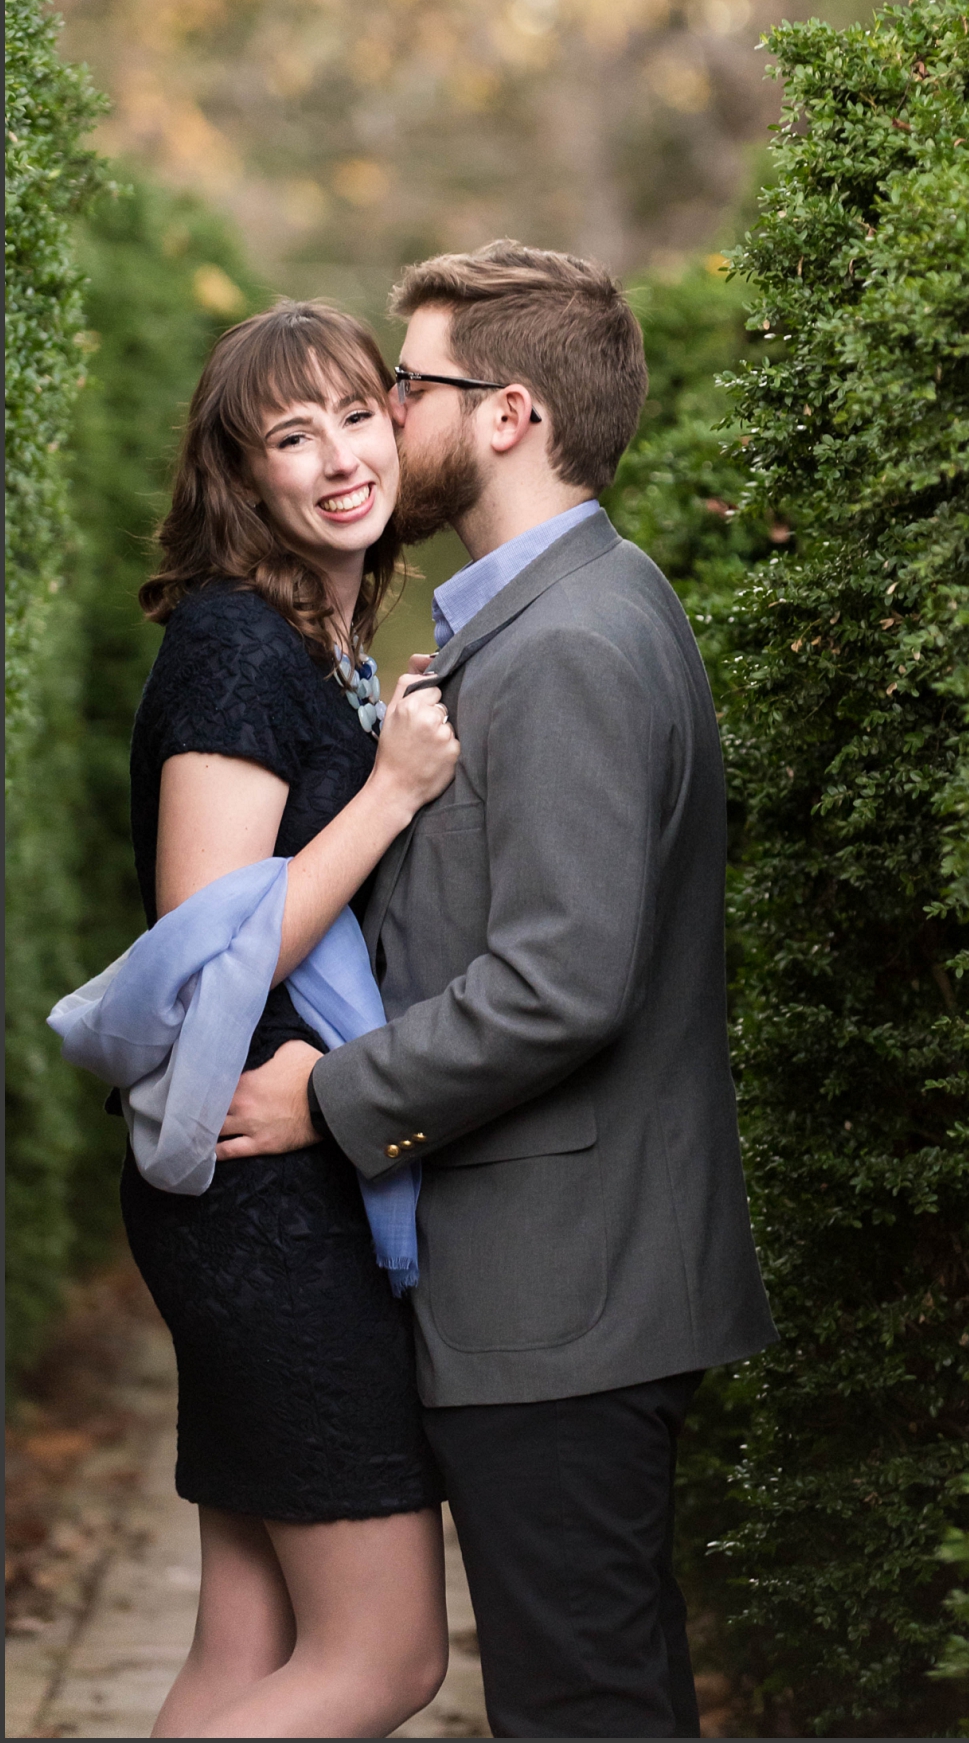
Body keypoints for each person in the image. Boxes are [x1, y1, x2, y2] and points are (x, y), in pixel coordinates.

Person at [221, 242, 778, 1741]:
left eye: (408, 385)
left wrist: (326, 1096)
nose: (386, 416)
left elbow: (561, 984)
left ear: (511, 412)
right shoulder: (546, 614)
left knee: (582, 1704)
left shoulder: (578, 644)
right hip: (563, 1287)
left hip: (565, 1291)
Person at [120, 301, 461, 1739]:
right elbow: (213, 958)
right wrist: (389, 794)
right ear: (240, 477)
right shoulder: (236, 652)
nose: (336, 458)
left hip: (279, 1186)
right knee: (385, 1662)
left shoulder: (316, 649)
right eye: (289, 434)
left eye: (356, 416)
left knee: (249, 1653)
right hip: (269, 1203)